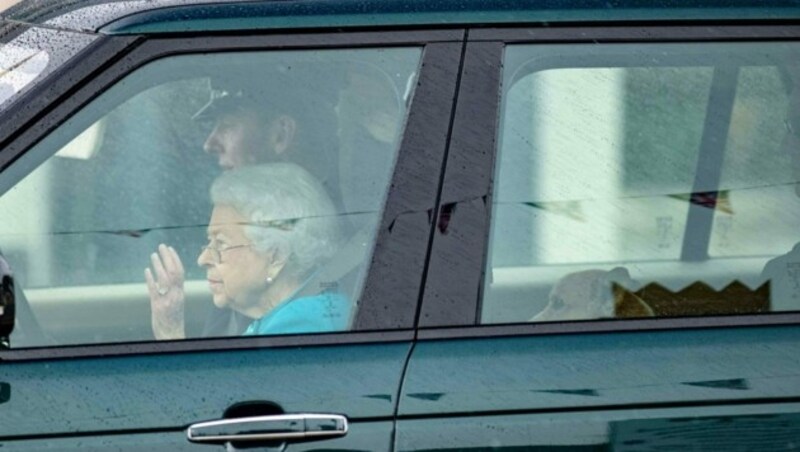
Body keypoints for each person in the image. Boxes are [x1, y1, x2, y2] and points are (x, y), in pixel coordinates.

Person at [145, 163, 348, 339]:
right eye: (209, 242)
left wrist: (170, 334)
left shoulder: (300, 325)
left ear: (275, 256)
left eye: (221, 244)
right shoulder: (291, 315)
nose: (202, 259)